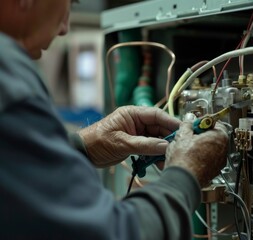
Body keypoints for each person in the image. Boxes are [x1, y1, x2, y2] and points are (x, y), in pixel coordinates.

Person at [0, 0, 229, 239]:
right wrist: (186, 174)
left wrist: (82, 147)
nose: (65, 27)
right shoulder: (8, 81)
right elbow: (111, 233)